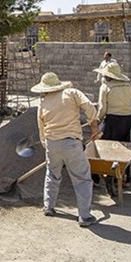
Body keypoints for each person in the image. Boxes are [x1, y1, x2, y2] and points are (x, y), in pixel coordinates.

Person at [33, 72, 100, 227]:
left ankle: (48, 207)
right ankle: (84, 216)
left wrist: (47, 146)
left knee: (52, 174)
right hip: (71, 142)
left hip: (52, 143)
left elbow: (41, 129)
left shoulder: (43, 103)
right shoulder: (71, 93)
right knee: (82, 178)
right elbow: (88, 106)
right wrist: (94, 125)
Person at [92, 62, 131, 189]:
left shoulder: (105, 87)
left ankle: (96, 178)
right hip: (126, 120)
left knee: (101, 147)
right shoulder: (129, 85)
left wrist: (97, 120)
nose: (104, 77)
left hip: (112, 120)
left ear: (109, 76)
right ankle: (124, 178)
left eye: (105, 75)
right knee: (124, 149)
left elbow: (102, 108)